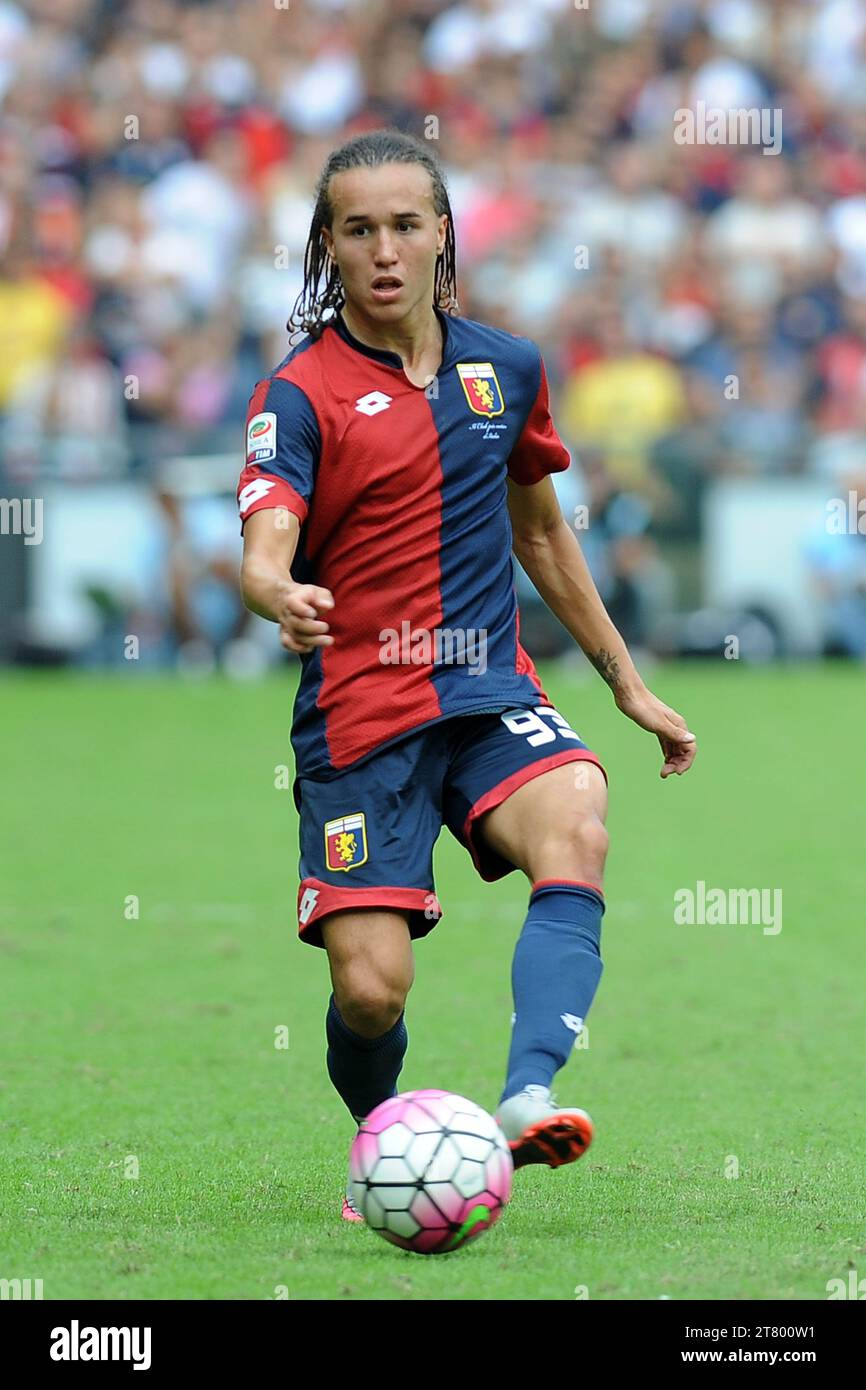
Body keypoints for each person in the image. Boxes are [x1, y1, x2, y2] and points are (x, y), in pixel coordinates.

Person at [236, 130, 697, 1223]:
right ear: (329, 246)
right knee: (367, 990)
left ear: (442, 233)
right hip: (360, 718)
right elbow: (264, 538)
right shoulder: (300, 393)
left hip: (489, 691)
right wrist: (275, 591)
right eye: (359, 229)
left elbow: (541, 535)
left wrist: (624, 683)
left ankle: (527, 1091)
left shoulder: (507, 368)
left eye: (406, 224)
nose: (385, 249)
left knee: (576, 811)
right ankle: (384, 1142)